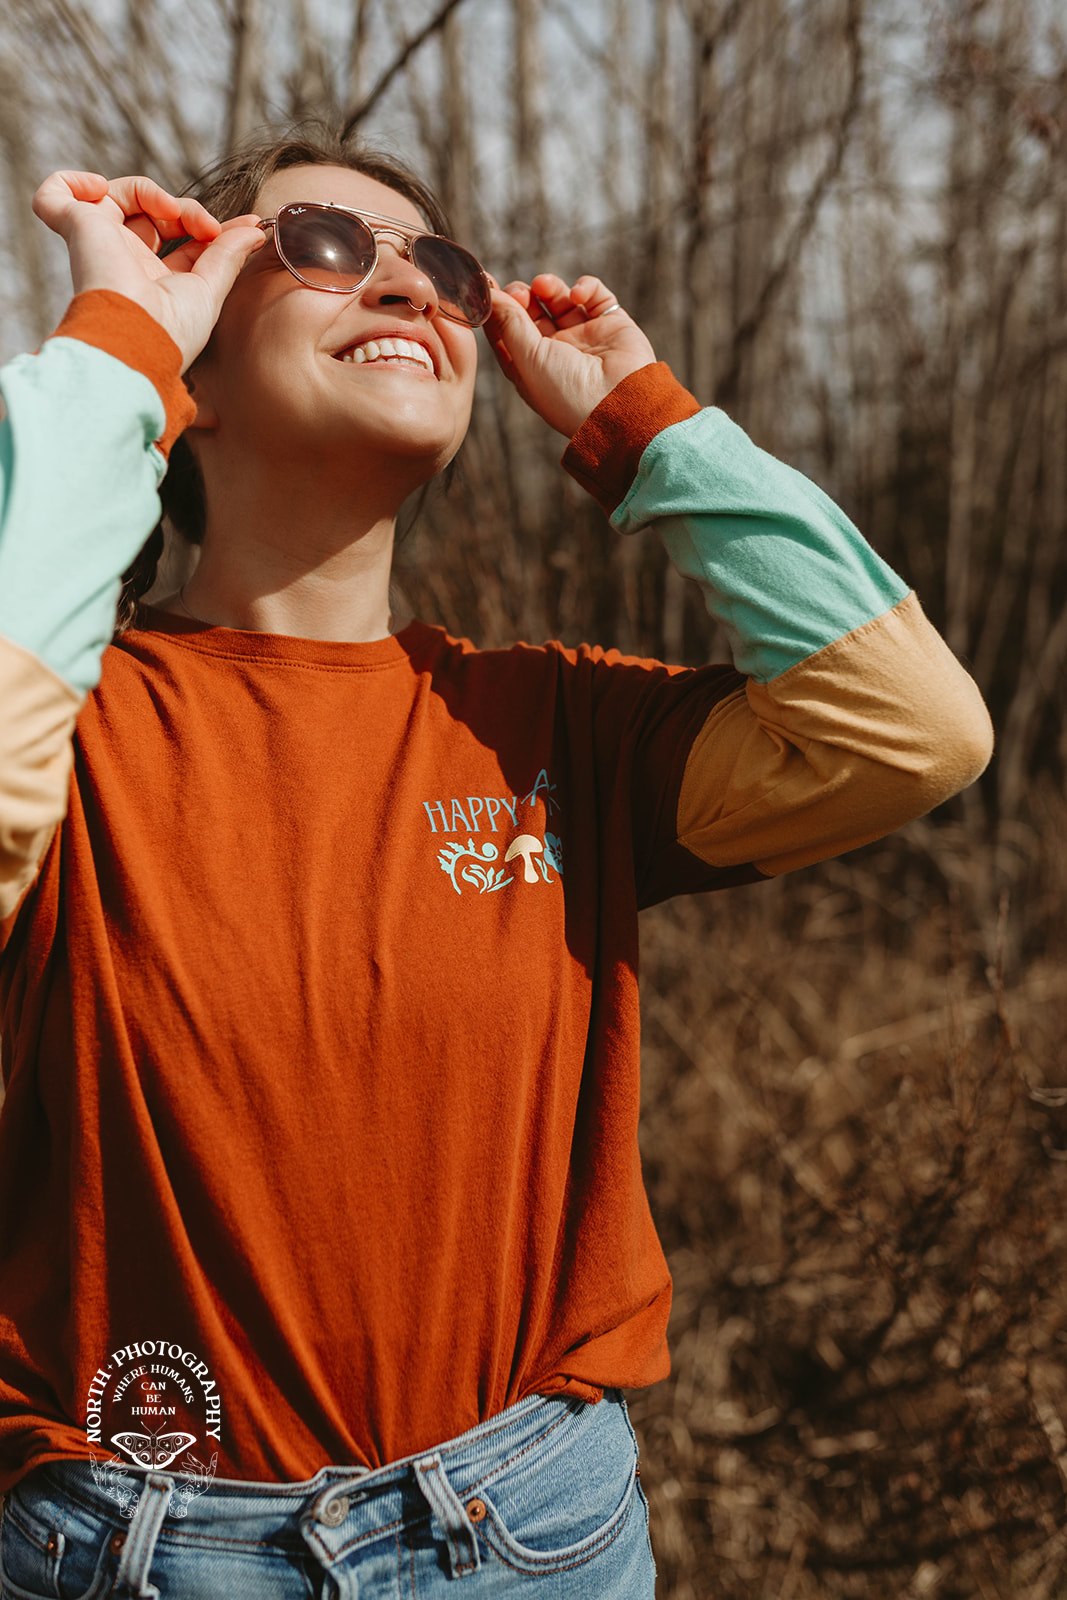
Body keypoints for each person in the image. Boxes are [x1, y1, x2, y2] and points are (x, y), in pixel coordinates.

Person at [0, 122, 992, 1598]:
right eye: (327, 248)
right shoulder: (80, 723)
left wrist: (642, 421)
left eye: (441, 268)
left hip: (536, 1532)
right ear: (189, 371)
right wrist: (114, 346)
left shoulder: (552, 724)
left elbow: (913, 730)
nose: (407, 289)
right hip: (147, 1550)